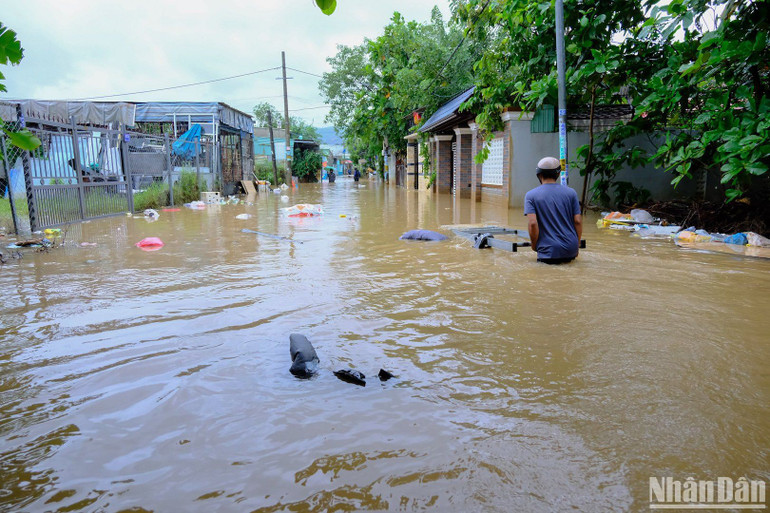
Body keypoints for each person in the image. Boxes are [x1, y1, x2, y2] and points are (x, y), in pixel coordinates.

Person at [524, 156, 582, 264]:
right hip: (571, 249)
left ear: (539, 175)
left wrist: (534, 245)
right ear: (558, 174)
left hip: (548, 251)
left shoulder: (530, 195)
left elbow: (532, 223)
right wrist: (576, 245)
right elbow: (577, 221)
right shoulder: (571, 193)